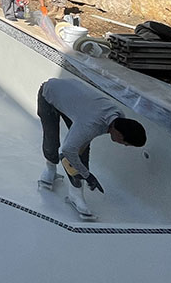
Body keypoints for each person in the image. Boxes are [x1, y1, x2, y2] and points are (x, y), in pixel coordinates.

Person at [37, 78, 146, 221]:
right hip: (49, 93)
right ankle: (50, 168)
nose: (124, 145)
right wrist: (87, 175)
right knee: (52, 139)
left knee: (82, 148)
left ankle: (75, 193)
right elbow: (68, 150)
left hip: (76, 103)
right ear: (119, 133)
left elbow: (79, 146)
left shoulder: (118, 116)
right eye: (126, 142)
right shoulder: (91, 125)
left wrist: (80, 165)